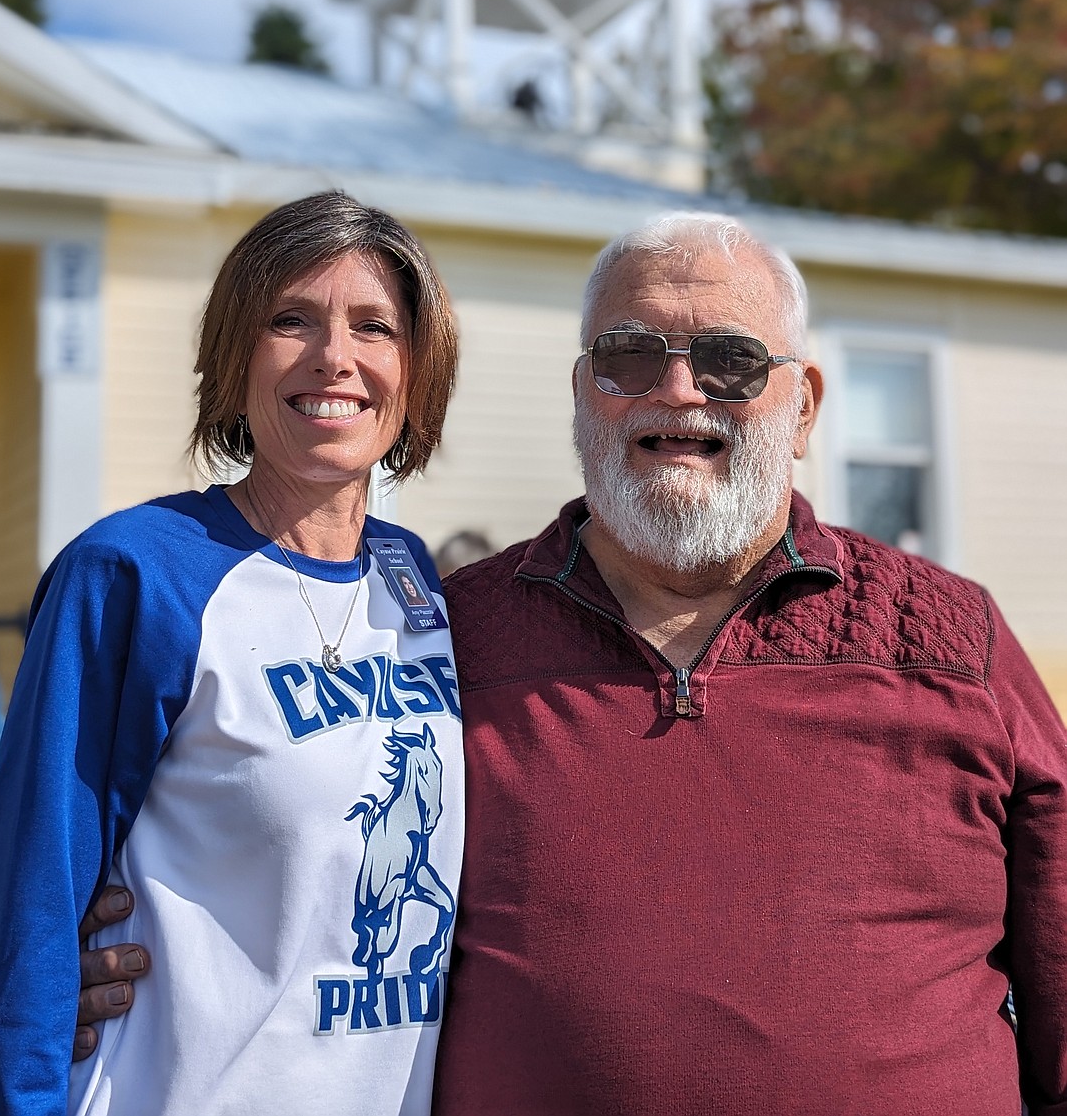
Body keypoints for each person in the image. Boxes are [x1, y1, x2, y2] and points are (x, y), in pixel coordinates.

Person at [68, 212, 1067, 1112]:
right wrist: (80, 965)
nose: (677, 388)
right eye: (630, 355)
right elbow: (298, 843)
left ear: (801, 405)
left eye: (727, 358)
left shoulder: (950, 639)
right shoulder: (436, 636)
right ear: (585, 392)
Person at [0, 190, 465, 1116]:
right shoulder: (134, 574)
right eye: (289, 320)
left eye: (373, 326)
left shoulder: (415, 582)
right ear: (234, 357)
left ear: (416, 372)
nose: (334, 356)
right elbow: (29, 902)